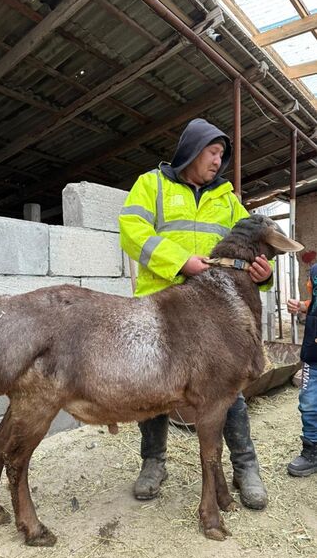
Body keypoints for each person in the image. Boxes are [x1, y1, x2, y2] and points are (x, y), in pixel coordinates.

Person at [119, 117, 273, 510]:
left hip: (212, 315)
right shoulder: (151, 184)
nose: (219, 162)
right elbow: (131, 231)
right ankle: (153, 462)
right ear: (193, 148)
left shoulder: (227, 198)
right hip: (161, 307)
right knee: (153, 388)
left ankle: (245, 465)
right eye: (214, 152)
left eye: (223, 155)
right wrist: (179, 262)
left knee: (228, 390)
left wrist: (264, 274)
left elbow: (249, 244)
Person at [286, 262, 317, 476]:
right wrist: (302, 306)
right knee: (308, 403)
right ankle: (311, 451)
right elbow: (314, 302)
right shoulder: (315, 271)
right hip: (313, 353)